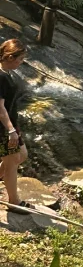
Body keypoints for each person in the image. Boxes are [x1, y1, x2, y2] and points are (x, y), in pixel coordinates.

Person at [0, 37, 30, 208]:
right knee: (12, 163)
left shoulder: (6, 73)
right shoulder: (1, 77)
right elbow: (0, 108)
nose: (21, 62)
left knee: (22, 155)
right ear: (10, 57)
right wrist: (10, 130)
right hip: (4, 128)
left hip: (11, 124)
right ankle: (14, 202)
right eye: (20, 59)